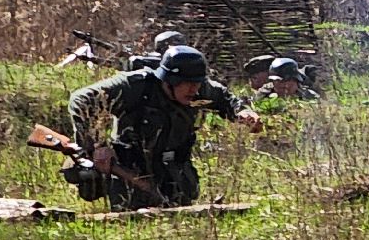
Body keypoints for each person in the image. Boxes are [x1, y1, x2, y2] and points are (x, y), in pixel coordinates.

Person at [67, 45, 263, 210]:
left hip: (175, 170)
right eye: (187, 84)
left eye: (197, 84)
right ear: (169, 81)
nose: (193, 90)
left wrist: (243, 113)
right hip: (131, 171)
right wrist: (98, 144)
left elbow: (225, 98)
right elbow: (80, 99)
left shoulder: (200, 89)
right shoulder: (136, 86)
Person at [252, 57, 321, 101]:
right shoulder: (264, 93)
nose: (281, 85)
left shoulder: (309, 97)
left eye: (285, 81)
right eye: (276, 81)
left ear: (295, 80)